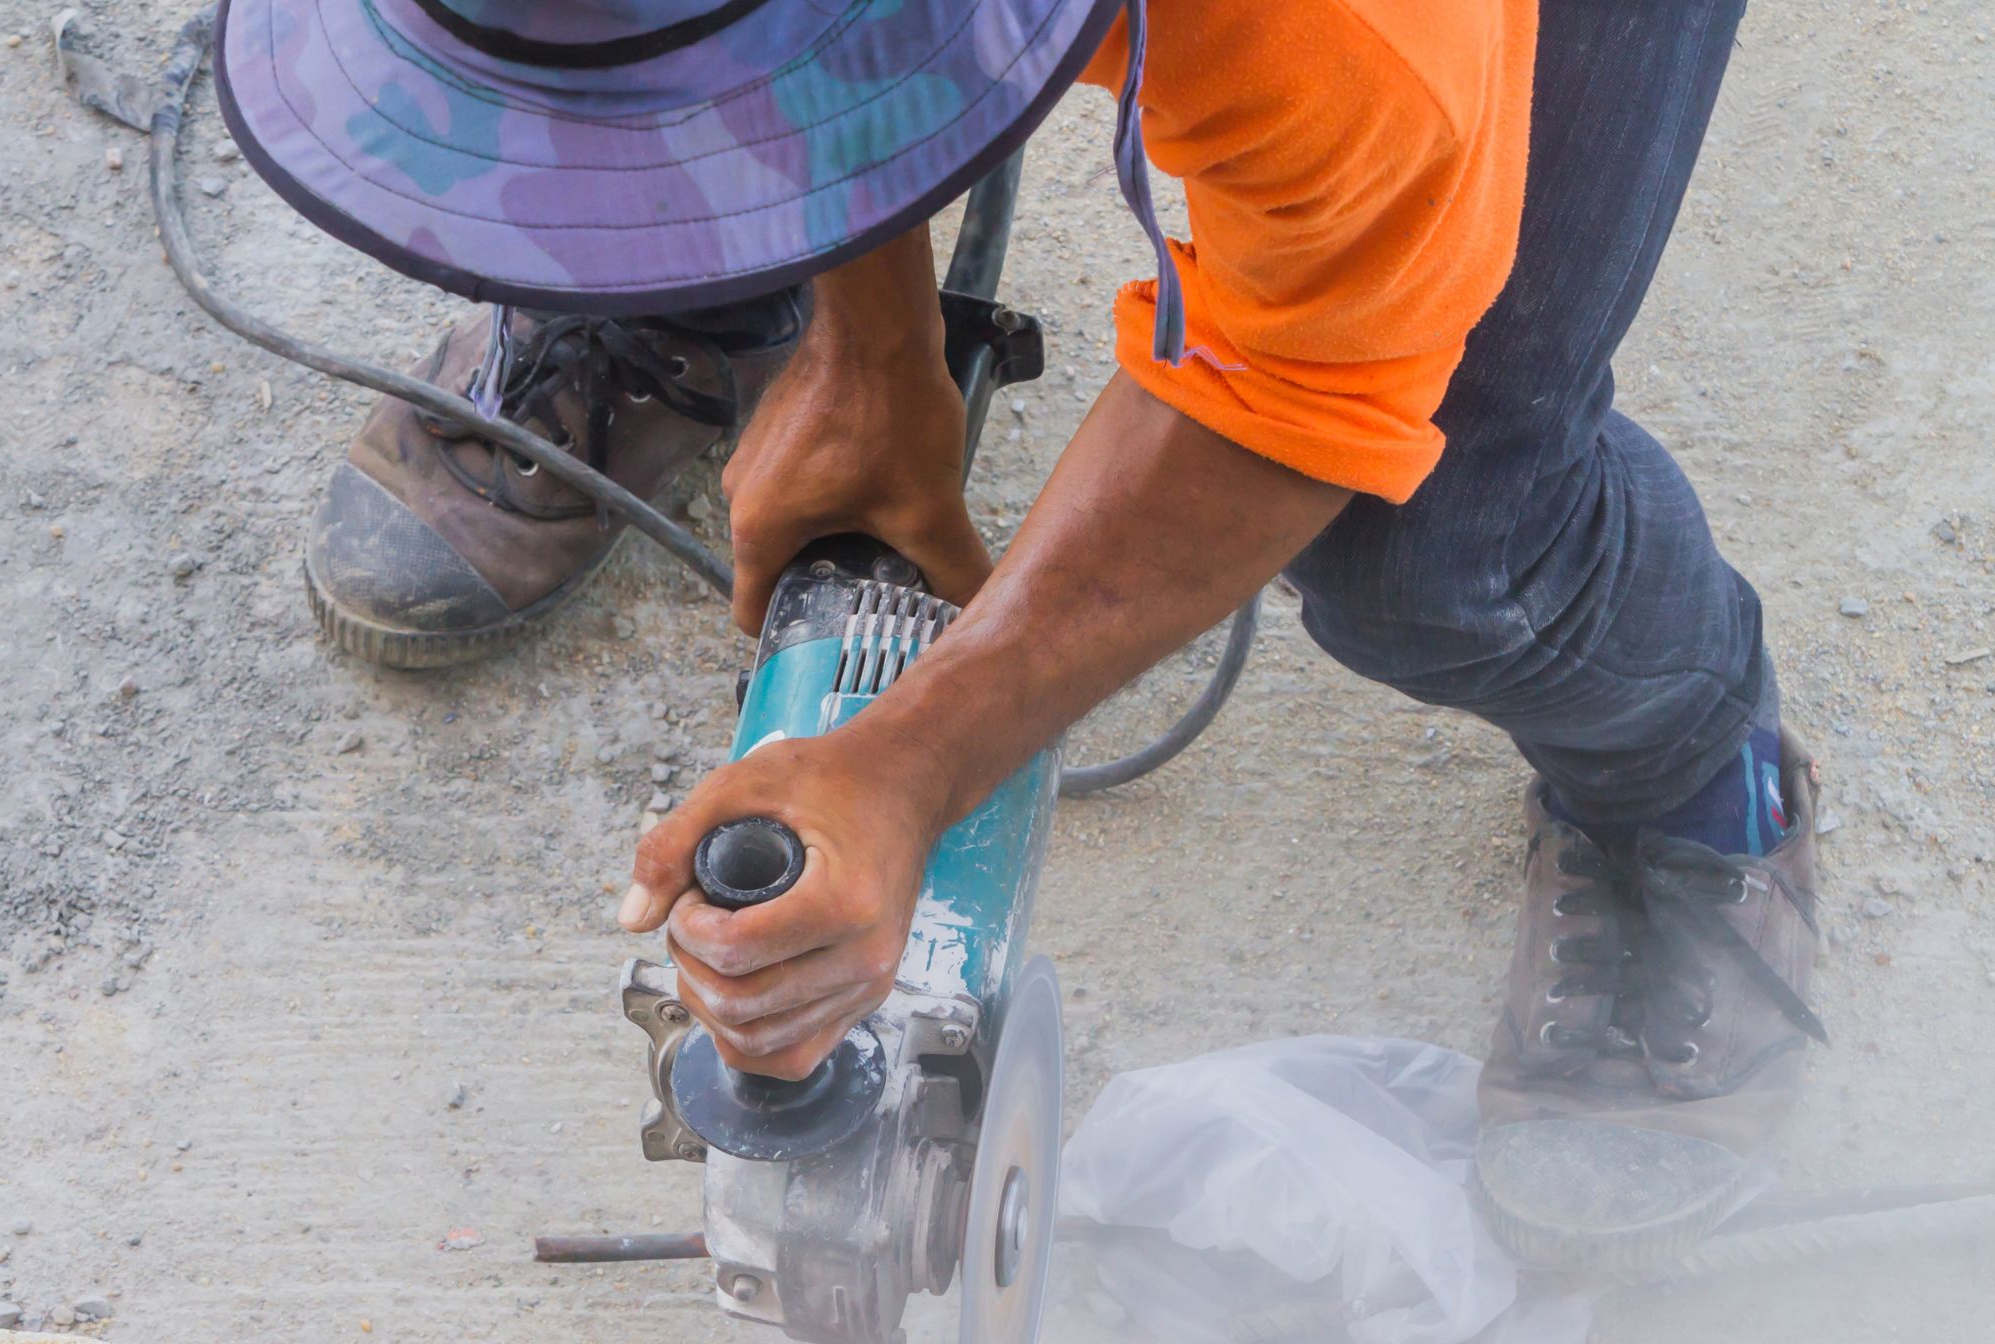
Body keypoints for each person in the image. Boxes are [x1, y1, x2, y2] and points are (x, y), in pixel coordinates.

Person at [216, 0, 1823, 1268]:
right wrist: (869, 351)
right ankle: (684, 267)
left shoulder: (1350, 41)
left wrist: (909, 766)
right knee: (654, 124)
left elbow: (1296, 390)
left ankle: (1690, 771)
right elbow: (822, 44)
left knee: (1449, 523)